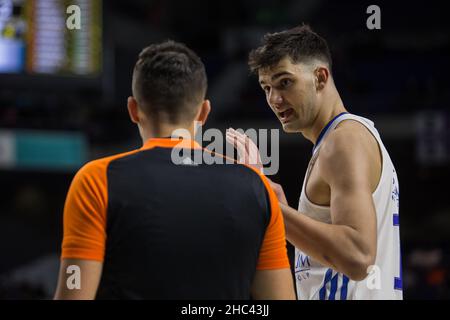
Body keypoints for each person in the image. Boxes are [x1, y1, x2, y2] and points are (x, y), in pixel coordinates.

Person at [54, 40, 295, 300]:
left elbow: (74, 293)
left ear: (133, 110)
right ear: (203, 112)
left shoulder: (95, 180)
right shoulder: (256, 188)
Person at [226, 25, 402, 300]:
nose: (274, 99)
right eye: (266, 88)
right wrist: (281, 209)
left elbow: (358, 258)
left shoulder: (343, 141)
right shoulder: (342, 139)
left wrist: (271, 207)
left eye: (285, 82)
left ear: (320, 77)